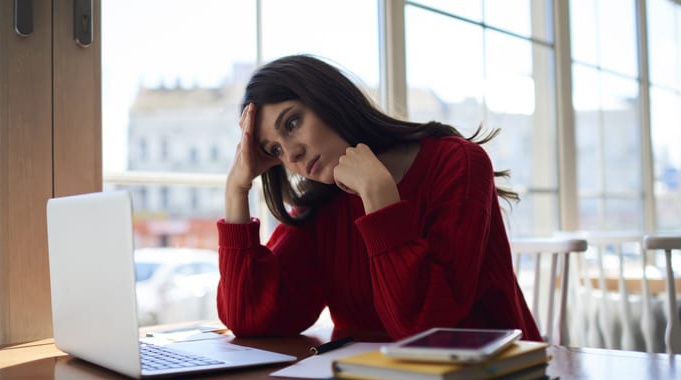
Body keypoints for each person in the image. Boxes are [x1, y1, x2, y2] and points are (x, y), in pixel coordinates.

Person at [217, 54, 541, 342]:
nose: (292, 153)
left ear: (328, 99)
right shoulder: (320, 205)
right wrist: (236, 191)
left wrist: (379, 200)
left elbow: (425, 328)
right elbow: (251, 317)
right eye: (274, 150)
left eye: (292, 122)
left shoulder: (457, 162)